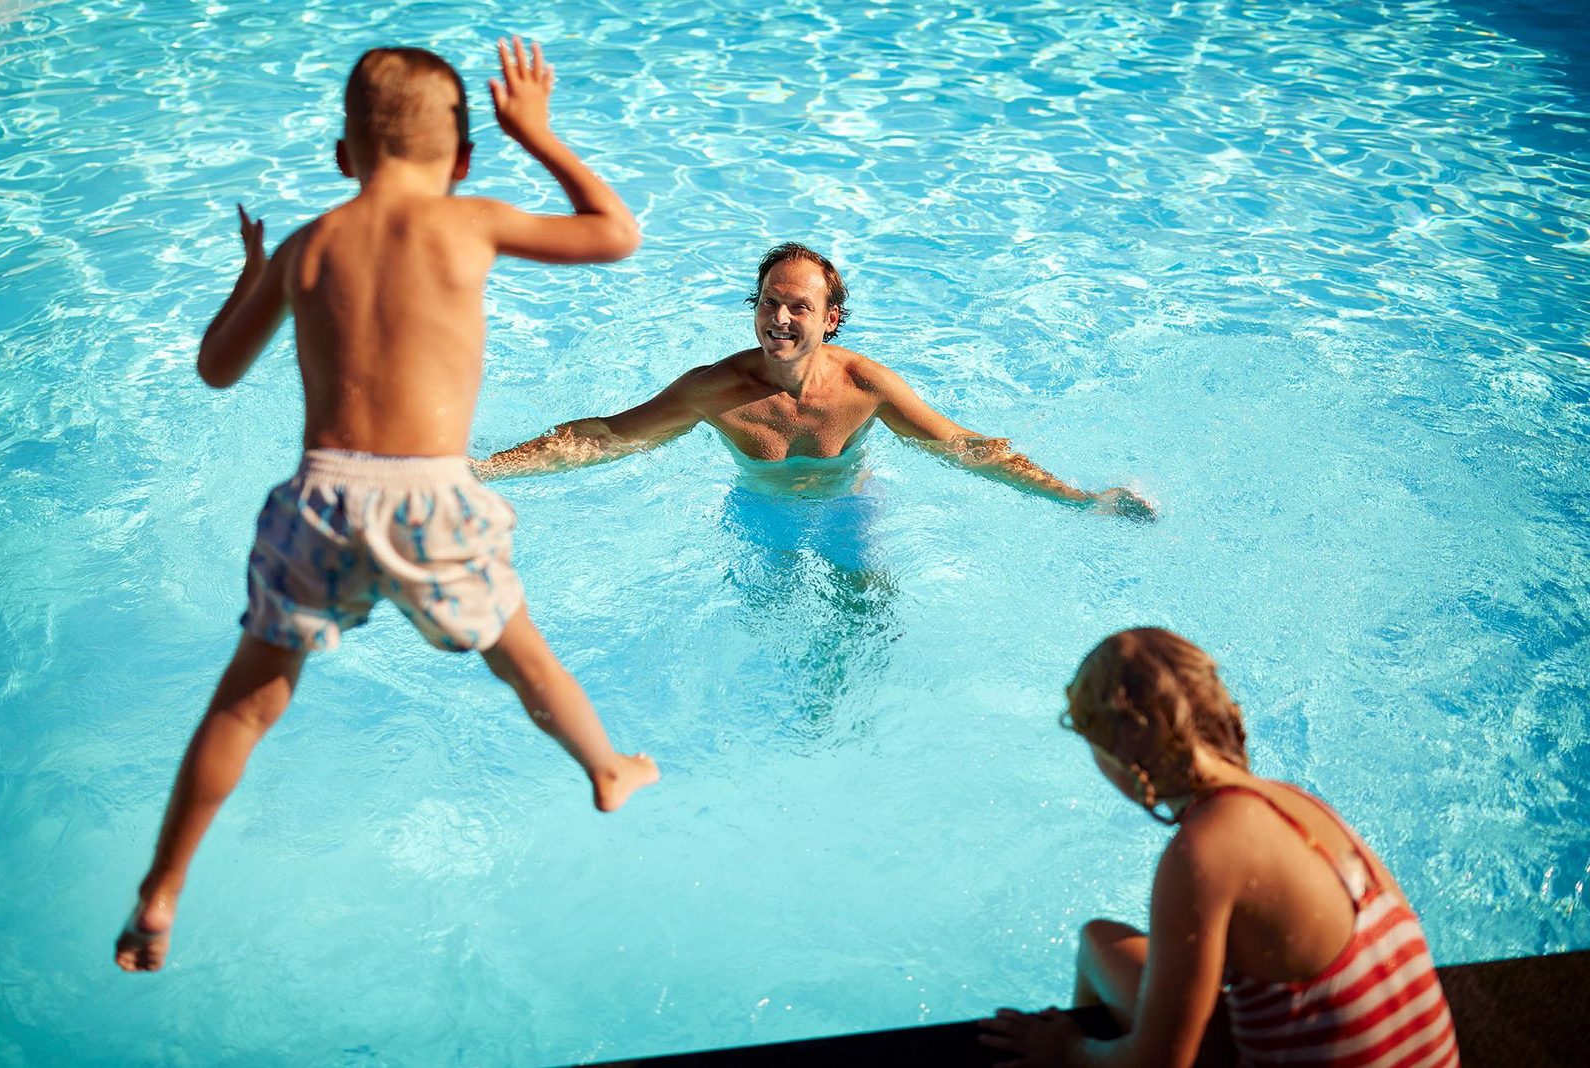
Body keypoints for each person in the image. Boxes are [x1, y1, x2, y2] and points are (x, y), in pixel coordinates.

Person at [114, 39, 660, 974]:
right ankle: (606, 768)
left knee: (245, 708)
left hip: (322, 496)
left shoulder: (308, 244)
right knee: (522, 659)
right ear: (462, 160)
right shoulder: (470, 221)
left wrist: (255, 274)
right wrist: (540, 133)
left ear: (341, 157)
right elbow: (615, 233)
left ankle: (162, 890)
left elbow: (215, 370)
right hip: (432, 496)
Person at [980, 628, 1459, 1068]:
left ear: (1121, 755)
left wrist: (1067, 1049)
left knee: (1094, 949)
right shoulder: (1293, 801)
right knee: (1105, 945)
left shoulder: (1201, 855)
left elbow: (1160, 1063)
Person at [472, 243, 1156, 520]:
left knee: (863, 615)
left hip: (847, 508)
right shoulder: (714, 390)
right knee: (766, 620)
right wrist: (482, 470)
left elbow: (965, 447)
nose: (779, 317)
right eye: (770, 301)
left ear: (830, 319)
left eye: (799, 306)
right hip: (759, 513)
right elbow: (606, 437)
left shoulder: (867, 387)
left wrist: (1078, 498)